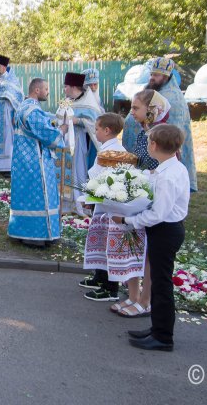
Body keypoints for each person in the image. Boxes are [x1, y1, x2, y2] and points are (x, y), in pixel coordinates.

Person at [113, 124, 190, 352]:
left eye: (148, 142)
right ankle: (157, 327)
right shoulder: (170, 168)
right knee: (157, 282)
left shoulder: (169, 176)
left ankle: (163, 336)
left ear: (154, 145)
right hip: (164, 230)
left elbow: (158, 214)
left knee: (161, 284)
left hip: (166, 231)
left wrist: (127, 220)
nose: (147, 145)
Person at [79, 113, 149, 311]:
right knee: (101, 242)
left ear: (107, 130)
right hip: (103, 205)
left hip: (109, 206)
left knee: (109, 245)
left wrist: (89, 199)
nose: (95, 132)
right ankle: (100, 277)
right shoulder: (109, 149)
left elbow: (101, 180)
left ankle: (110, 288)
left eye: (97, 129)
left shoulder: (113, 152)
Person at [122, 57, 197, 192]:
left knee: (159, 185)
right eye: (151, 74)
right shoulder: (148, 92)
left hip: (161, 148)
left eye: (156, 75)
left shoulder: (174, 97)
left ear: (166, 76)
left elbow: (174, 128)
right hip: (145, 142)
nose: (152, 78)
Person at [7, 78, 65, 245]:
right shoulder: (33, 111)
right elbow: (48, 134)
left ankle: (21, 232)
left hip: (22, 161)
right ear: (37, 90)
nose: (48, 92)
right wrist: (62, 129)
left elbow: (42, 120)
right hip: (35, 161)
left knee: (24, 195)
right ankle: (37, 237)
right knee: (39, 196)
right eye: (46, 89)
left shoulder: (23, 106)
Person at [55, 72, 103, 213]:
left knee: (78, 170)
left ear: (74, 87)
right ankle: (65, 203)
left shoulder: (89, 102)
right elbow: (58, 117)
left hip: (79, 142)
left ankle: (80, 202)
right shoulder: (66, 100)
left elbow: (95, 123)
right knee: (64, 169)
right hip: (64, 142)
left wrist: (78, 121)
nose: (64, 89)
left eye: (66, 86)